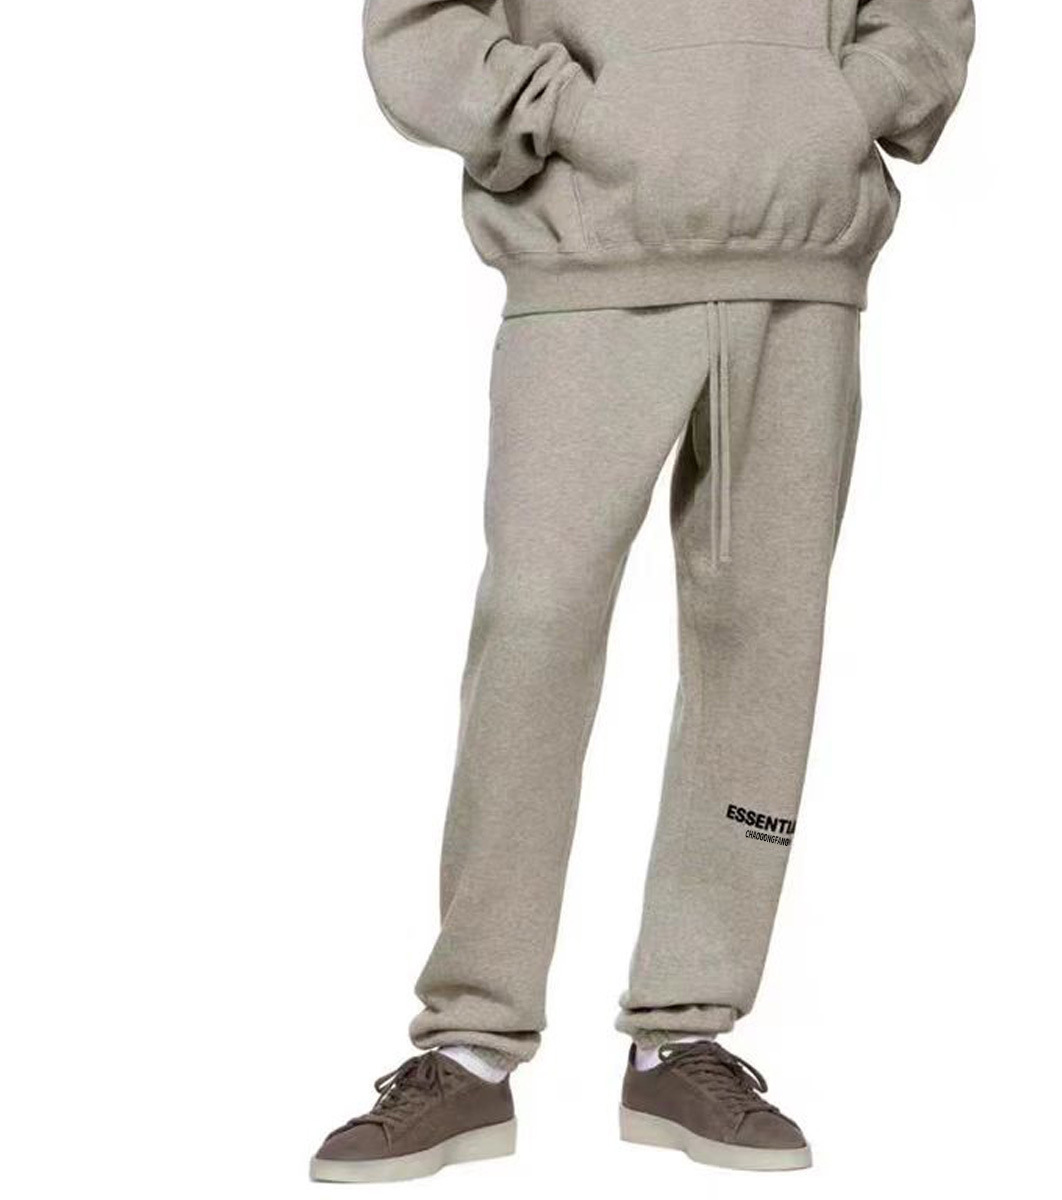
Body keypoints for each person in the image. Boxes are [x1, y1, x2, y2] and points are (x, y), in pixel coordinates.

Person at [310, 0, 974, 1181]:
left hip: (804, 258)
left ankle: (687, 1031)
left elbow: (924, 17)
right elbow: (418, 22)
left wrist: (844, 106)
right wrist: (573, 112)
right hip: (586, 250)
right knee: (536, 623)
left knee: (764, 638)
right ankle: (469, 1041)